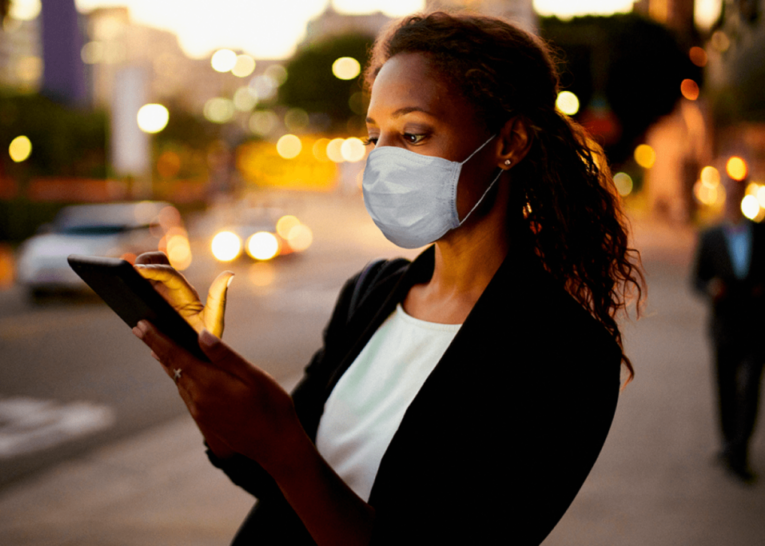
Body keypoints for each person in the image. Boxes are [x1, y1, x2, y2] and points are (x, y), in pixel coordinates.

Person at [131, 11, 644, 545]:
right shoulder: (372, 292)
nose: (382, 161)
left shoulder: (567, 354)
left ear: (508, 142)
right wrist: (206, 389)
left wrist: (283, 445)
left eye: (415, 133)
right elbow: (267, 475)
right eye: (375, 136)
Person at [693, 174, 765, 484]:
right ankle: (728, 443)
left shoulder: (762, 233)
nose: (733, 198)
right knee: (725, 389)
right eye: (729, 192)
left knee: (749, 390)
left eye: (738, 193)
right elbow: (696, 279)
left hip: (757, 325)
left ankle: (740, 451)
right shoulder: (710, 236)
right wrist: (711, 289)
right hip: (724, 325)